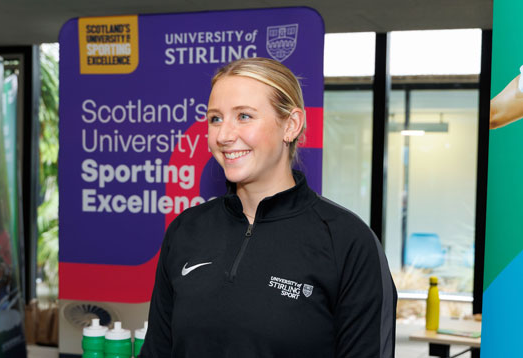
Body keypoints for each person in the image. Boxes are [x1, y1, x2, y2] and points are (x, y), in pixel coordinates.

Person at [140, 58, 397, 358]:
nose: (223, 135)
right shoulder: (186, 231)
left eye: (244, 116)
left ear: (291, 125)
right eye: (215, 119)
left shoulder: (347, 242)